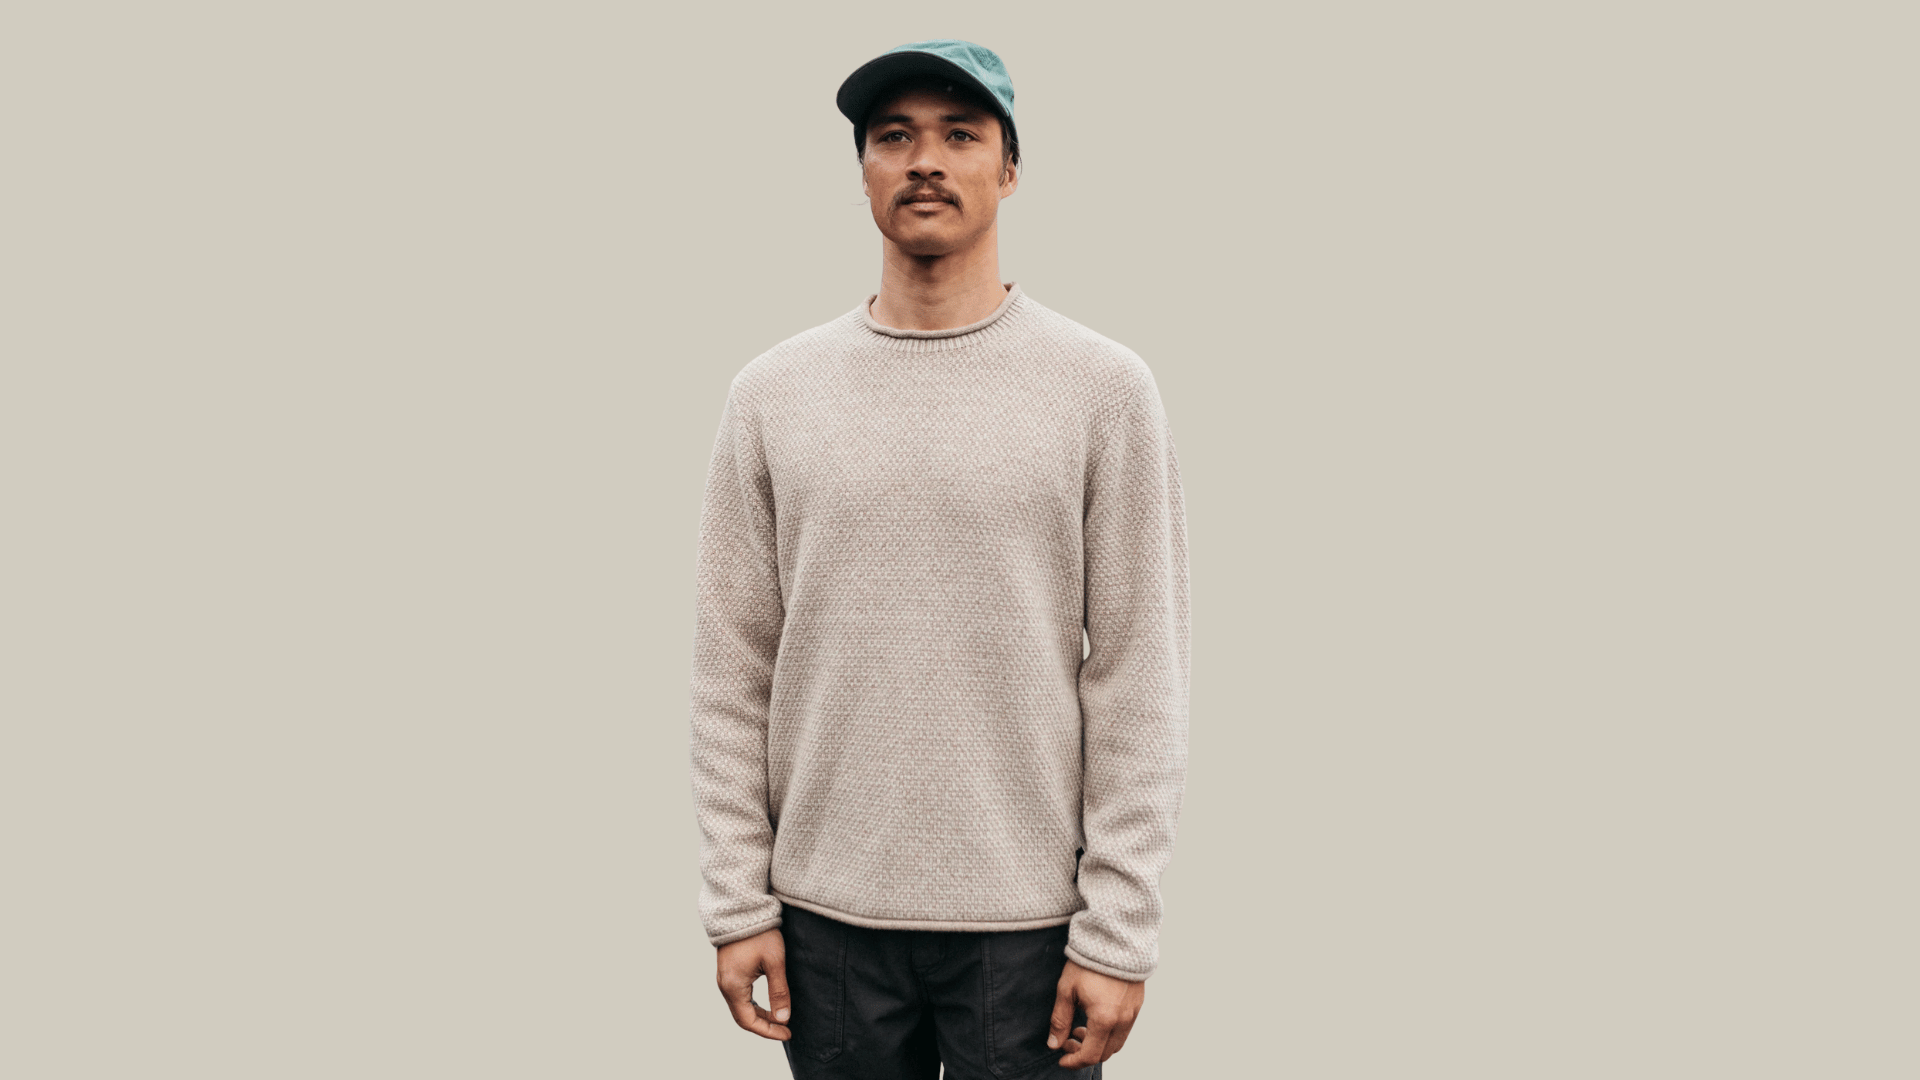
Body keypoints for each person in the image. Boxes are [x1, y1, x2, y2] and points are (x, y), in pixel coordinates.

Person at [688, 39, 1190, 1078]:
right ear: (864, 169)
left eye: (961, 134)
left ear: (1010, 169)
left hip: (1032, 929)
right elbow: (733, 670)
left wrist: (1119, 931)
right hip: (825, 926)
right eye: (894, 136)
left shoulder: (1103, 389)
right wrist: (737, 903)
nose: (925, 160)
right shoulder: (772, 394)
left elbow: (1140, 675)